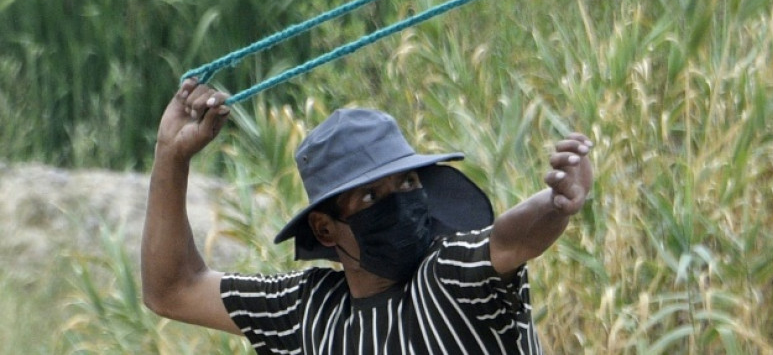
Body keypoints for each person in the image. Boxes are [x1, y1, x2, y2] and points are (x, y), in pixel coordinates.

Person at [142, 77, 594, 354]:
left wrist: (555, 205)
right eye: (372, 197)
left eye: (408, 185)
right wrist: (171, 155)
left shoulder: (449, 278)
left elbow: (512, 241)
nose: (399, 201)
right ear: (324, 228)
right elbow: (172, 290)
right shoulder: (307, 311)